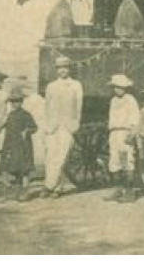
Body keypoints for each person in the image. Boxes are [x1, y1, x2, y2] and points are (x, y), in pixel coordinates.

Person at [42, 55, 83, 198]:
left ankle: (50, 186)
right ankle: (55, 186)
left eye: (65, 68)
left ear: (69, 69)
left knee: (62, 156)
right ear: (56, 70)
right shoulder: (51, 86)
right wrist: (47, 125)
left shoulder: (76, 85)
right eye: (60, 68)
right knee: (51, 156)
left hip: (67, 125)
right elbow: (47, 107)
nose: (63, 71)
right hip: (53, 125)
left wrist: (75, 123)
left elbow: (78, 107)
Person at [0, 86, 37, 200]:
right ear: (10, 103)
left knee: (24, 169)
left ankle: (25, 193)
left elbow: (34, 127)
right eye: (13, 102)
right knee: (9, 167)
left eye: (18, 101)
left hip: (23, 146)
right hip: (11, 144)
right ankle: (11, 192)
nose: (16, 104)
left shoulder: (26, 114)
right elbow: (6, 128)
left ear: (22, 102)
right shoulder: (10, 115)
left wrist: (27, 130)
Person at [106, 74, 140, 199]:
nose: (118, 89)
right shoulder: (113, 101)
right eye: (115, 87)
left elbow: (136, 119)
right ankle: (118, 189)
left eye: (120, 87)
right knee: (114, 162)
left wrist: (132, 134)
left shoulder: (130, 100)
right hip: (114, 133)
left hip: (125, 133)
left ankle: (130, 192)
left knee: (127, 161)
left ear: (125, 88)